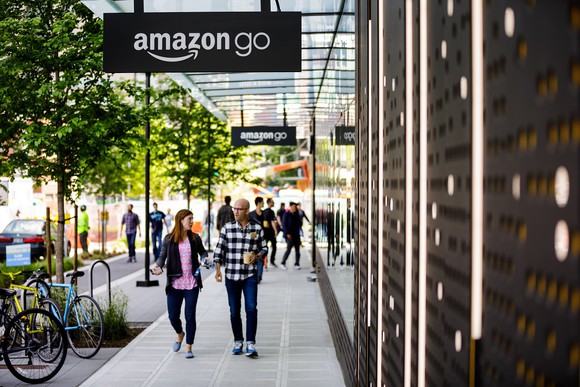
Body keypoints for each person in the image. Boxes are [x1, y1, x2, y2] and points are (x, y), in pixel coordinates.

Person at [213, 198, 267, 358]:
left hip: (249, 275)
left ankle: (250, 343)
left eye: (239, 209)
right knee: (234, 311)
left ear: (246, 211)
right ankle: (238, 341)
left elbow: (264, 247)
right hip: (231, 276)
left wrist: (257, 256)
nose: (235, 211)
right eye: (234, 209)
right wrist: (217, 270)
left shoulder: (257, 228)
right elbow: (218, 250)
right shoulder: (227, 228)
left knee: (251, 309)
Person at [151, 209, 207, 359]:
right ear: (181, 220)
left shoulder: (195, 238)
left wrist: (204, 259)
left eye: (192, 218)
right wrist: (157, 266)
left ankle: (189, 346)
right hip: (175, 284)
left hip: (192, 284)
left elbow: (203, 252)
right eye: (189, 218)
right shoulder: (169, 239)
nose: (192, 221)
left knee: (190, 316)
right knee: (173, 316)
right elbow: (162, 256)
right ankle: (180, 333)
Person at [248, 197, 266, 282]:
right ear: (259, 203)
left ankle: (259, 276)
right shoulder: (251, 214)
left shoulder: (264, 213)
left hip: (263, 237)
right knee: (254, 255)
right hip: (253, 238)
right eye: (262, 202)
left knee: (261, 255)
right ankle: (254, 274)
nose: (263, 203)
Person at [280, 202, 302, 270]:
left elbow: (299, 223)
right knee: (288, 250)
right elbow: (284, 225)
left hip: (296, 235)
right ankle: (283, 263)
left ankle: (297, 263)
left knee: (297, 250)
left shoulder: (296, 214)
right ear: (291, 207)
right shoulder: (286, 214)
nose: (295, 208)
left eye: (296, 207)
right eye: (294, 207)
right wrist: (287, 233)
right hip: (290, 235)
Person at [263, 198, 279, 267]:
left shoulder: (264, 211)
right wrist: (275, 230)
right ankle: (272, 261)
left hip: (265, 232)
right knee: (274, 247)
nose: (274, 203)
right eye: (272, 202)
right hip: (271, 232)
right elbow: (272, 222)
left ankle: (265, 263)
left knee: (265, 248)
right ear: (269, 203)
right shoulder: (271, 212)